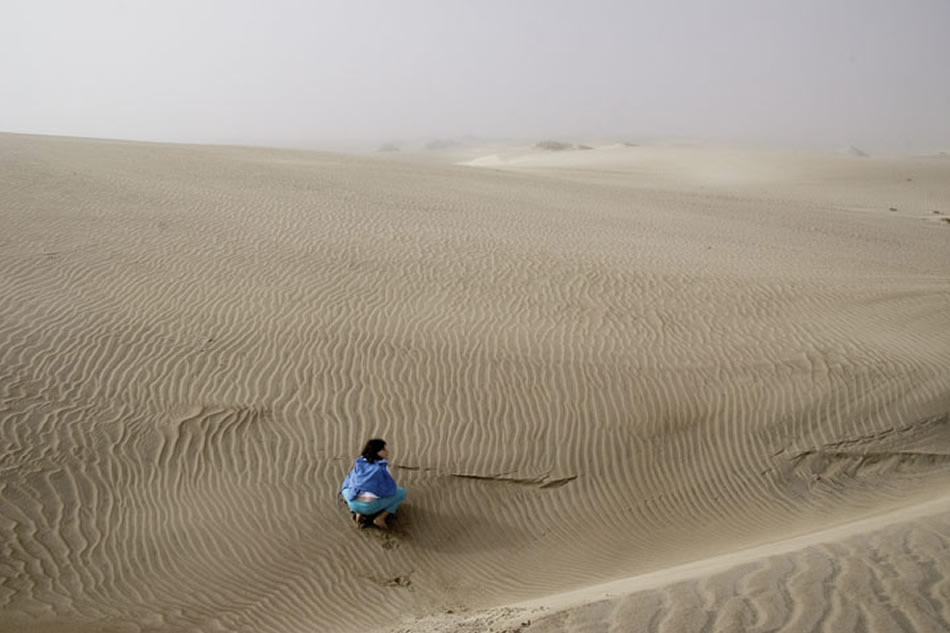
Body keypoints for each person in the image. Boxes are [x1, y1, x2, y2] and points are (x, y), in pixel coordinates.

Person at [340, 438, 406, 529]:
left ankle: (358, 513)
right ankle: (380, 518)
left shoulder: (360, 462)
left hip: (353, 504)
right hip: (370, 507)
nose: (386, 452)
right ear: (377, 452)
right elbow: (388, 488)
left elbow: (351, 481)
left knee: (346, 490)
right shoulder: (381, 466)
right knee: (401, 493)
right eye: (383, 449)